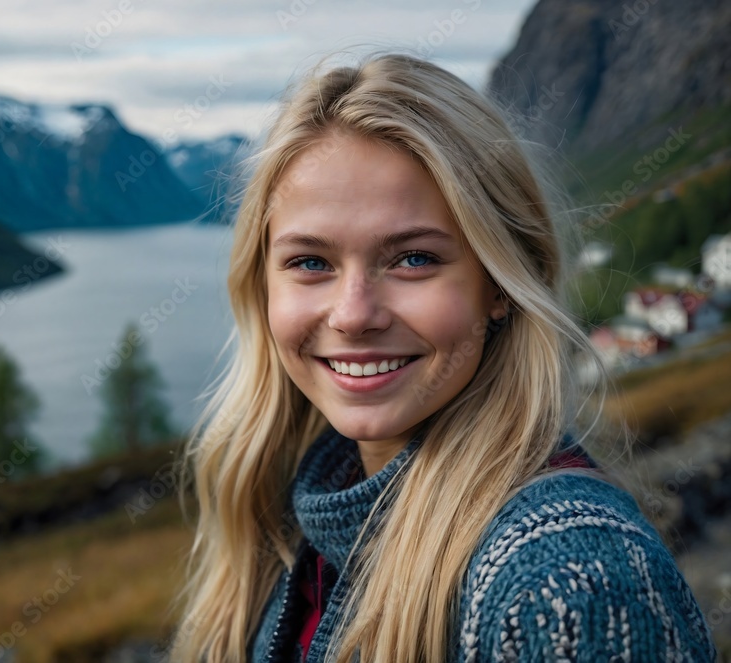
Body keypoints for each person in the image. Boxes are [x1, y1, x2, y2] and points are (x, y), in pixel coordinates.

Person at [165, 53, 717, 662]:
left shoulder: (572, 581)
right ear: (262, 283)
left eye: (414, 258)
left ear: (503, 284)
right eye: (311, 263)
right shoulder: (286, 526)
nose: (353, 314)